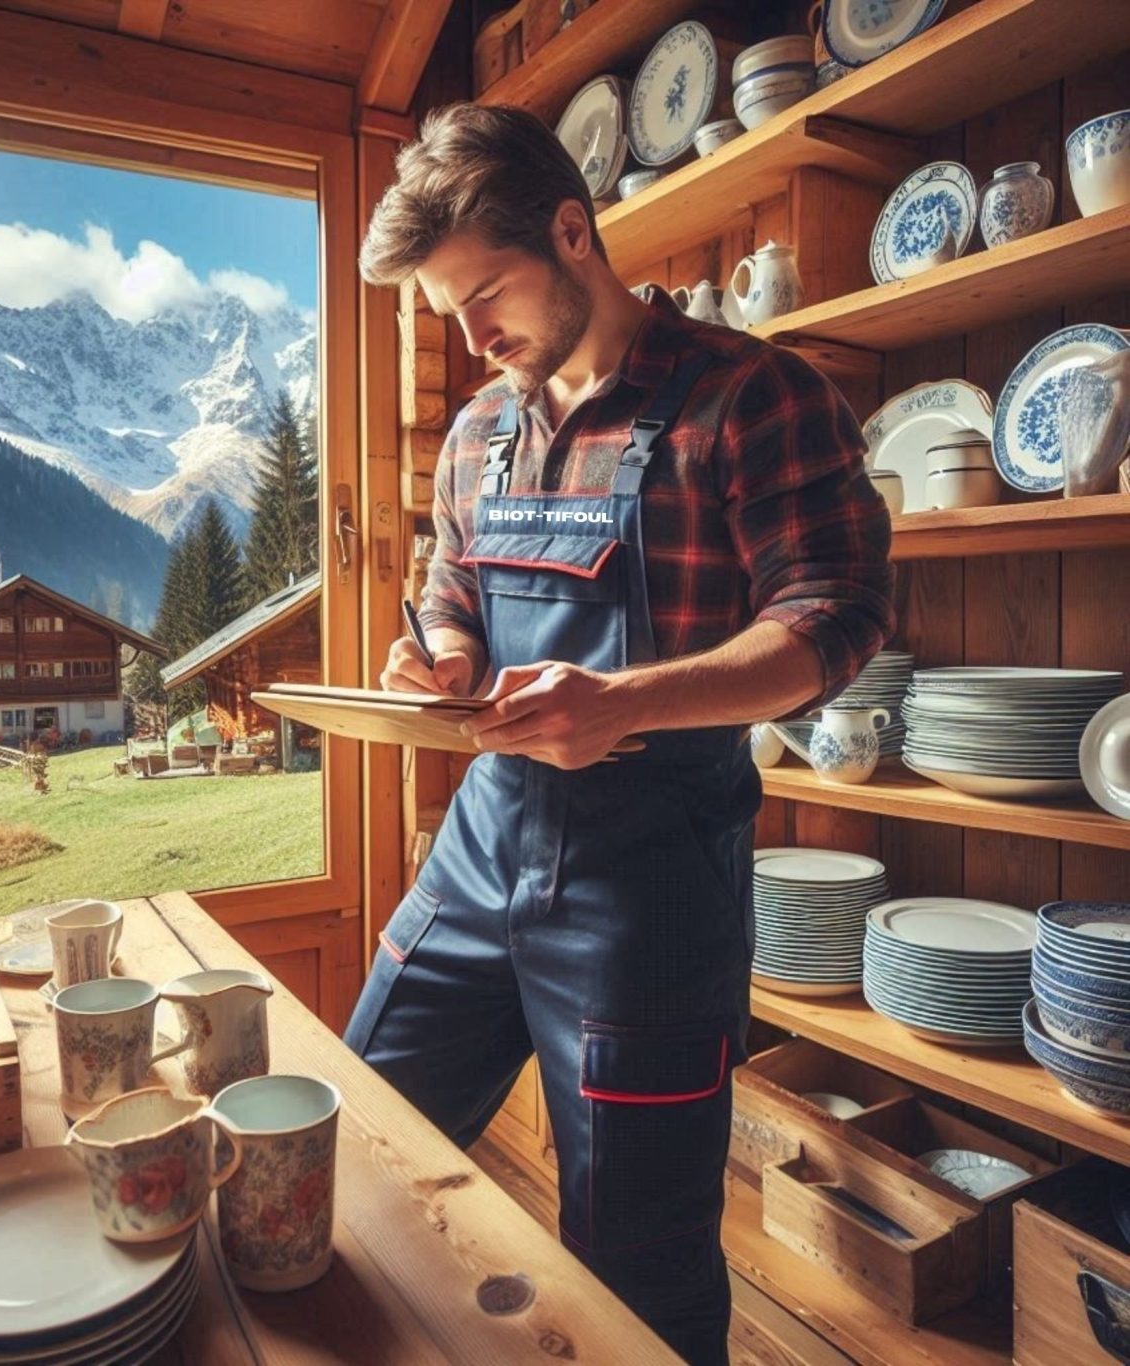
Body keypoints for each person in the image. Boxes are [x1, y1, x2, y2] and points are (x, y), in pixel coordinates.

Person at [344, 102, 896, 1364]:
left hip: (650, 890)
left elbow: (839, 616)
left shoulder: (749, 395)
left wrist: (625, 703)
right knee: (355, 1128)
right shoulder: (482, 434)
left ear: (571, 232)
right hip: (479, 856)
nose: (475, 340)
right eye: (449, 318)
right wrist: (438, 657)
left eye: (487, 298)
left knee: (637, 1265)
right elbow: (452, 591)